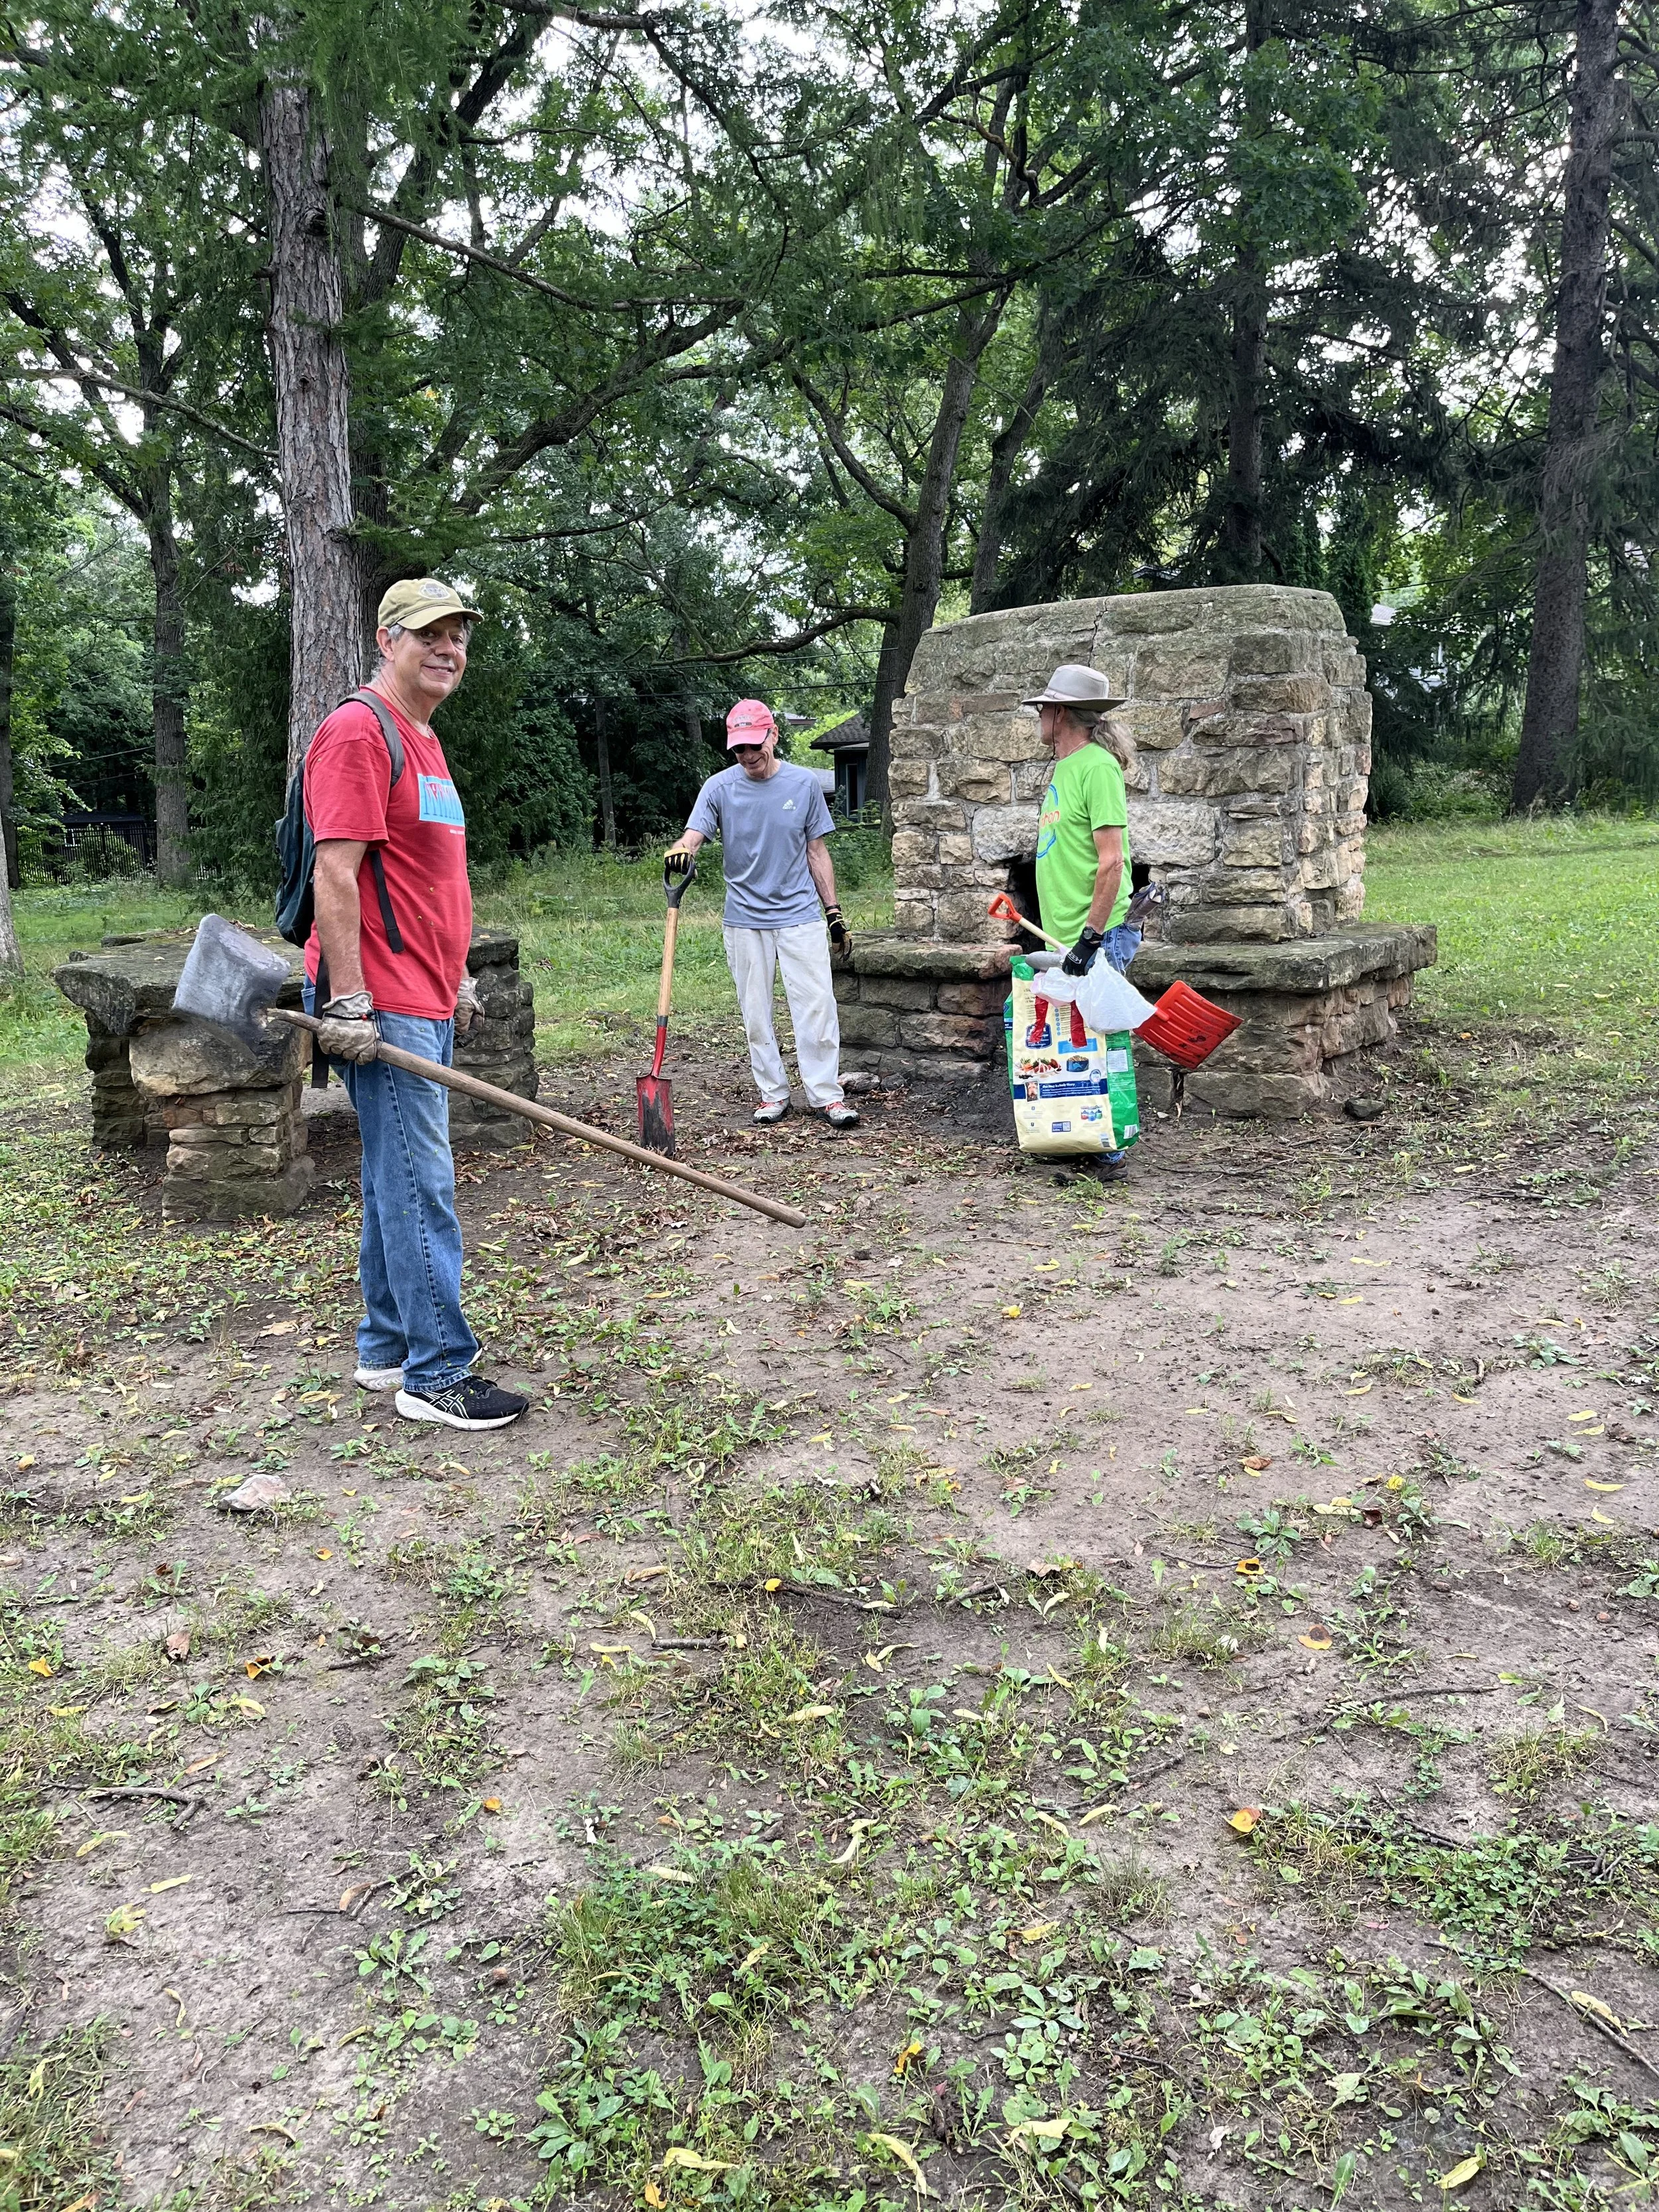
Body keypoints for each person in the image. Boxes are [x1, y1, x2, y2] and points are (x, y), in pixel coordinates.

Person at [305, 578, 530, 1432]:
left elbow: (431, 876)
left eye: (458, 636)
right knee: (420, 1183)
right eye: (429, 633)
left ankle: (387, 1347)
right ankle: (438, 1374)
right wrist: (350, 1002)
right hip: (383, 997)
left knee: (391, 1175)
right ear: (386, 640)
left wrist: (458, 975)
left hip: (425, 992)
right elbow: (336, 872)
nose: (448, 648)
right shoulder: (359, 731)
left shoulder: (422, 738)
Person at [666, 699, 859, 1129]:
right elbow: (693, 835)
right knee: (755, 1013)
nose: (748, 754)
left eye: (755, 744)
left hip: (799, 916)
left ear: (773, 735)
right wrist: (682, 852)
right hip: (745, 920)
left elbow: (816, 852)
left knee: (817, 1007)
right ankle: (773, 1093)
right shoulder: (719, 788)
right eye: (739, 748)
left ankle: (826, 1096)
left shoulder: (803, 784)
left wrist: (833, 912)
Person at [1024, 661, 1140, 1176]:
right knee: (1082, 1042)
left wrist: (1092, 937)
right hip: (1067, 932)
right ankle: (1087, 1140)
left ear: (1062, 713)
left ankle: (1109, 1153)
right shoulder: (1064, 768)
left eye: (1043, 708)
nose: (1039, 716)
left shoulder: (1097, 767)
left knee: (1103, 1038)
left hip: (1100, 933)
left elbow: (1112, 861)